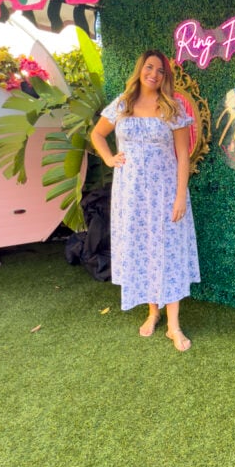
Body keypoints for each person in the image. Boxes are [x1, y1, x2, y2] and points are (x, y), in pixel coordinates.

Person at [91, 49, 200, 350]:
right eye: (149, 67)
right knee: (145, 250)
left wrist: (180, 196)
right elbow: (97, 135)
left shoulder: (172, 107)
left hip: (165, 193)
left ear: (165, 77)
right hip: (131, 195)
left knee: (168, 252)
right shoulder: (122, 104)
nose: (154, 73)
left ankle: (174, 326)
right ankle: (153, 313)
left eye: (160, 70)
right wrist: (109, 158)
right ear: (140, 69)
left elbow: (183, 156)